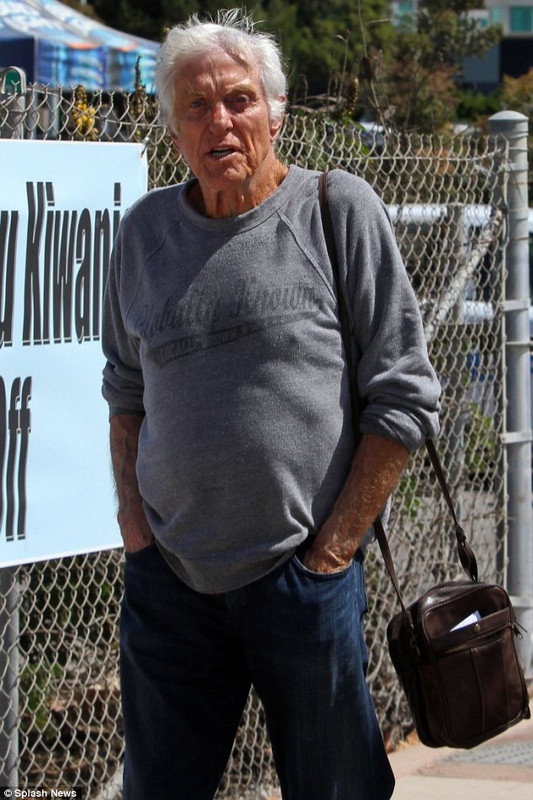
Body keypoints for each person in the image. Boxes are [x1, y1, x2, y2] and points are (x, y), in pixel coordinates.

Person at [101, 9, 441, 800]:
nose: (219, 120)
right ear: (172, 128)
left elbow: (404, 393)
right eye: (196, 106)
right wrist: (135, 530)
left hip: (302, 581)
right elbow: (125, 389)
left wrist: (329, 556)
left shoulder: (335, 209)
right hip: (170, 587)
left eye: (239, 100)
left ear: (275, 110)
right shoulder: (143, 234)